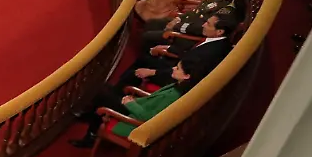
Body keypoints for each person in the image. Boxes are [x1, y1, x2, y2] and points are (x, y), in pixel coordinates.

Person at [71, 58, 210, 147]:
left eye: (178, 68)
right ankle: (90, 117)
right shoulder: (178, 85)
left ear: (187, 76)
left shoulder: (174, 95)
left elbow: (148, 117)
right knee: (105, 89)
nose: (173, 68)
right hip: (137, 107)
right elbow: (151, 99)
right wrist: (133, 100)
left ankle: (91, 136)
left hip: (134, 119)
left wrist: (130, 104)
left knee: (102, 95)